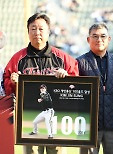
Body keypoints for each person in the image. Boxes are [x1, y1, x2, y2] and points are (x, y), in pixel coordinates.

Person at [3, 13, 79, 154]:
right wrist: (14, 82)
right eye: (33, 29)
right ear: (28, 32)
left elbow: (76, 84)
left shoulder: (62, 58)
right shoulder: (18, 59)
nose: (37, 32)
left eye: (41, 29)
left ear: (49, 31)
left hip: (56, 116)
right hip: (27, 115)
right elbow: (7, 86)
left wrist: (67, 77)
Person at [77, 22, 113, 154]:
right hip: (88, 126)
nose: (99, 39)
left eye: (103, 36)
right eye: (95, 36)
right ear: (88, 39)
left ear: (109, 39)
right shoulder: (79, 62)